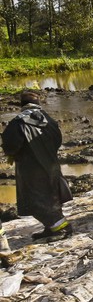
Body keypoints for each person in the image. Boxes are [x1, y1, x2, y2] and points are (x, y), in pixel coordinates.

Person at [1, 90, 72, 240]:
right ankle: (51, 228)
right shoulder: (49, 120)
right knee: (52, 196)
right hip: (52, 164)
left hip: (31, 169)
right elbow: (58, 140)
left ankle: (62, 228)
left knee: (35, 201)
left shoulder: (18, 123)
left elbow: (10, 146)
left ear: (21, 105)